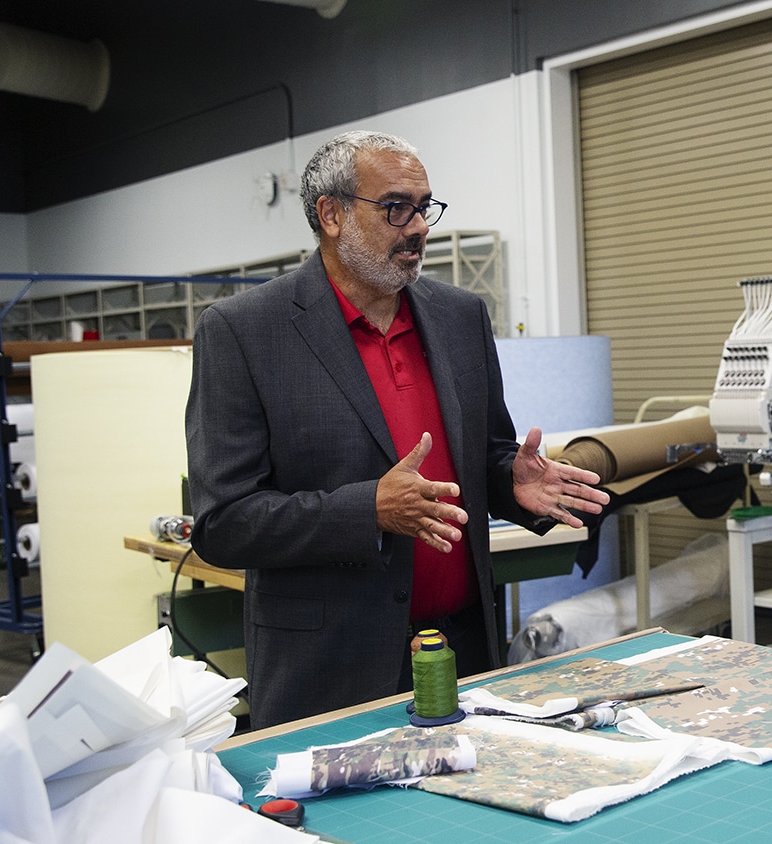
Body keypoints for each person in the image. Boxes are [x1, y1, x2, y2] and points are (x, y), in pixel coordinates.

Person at [186, 130, 609, 729]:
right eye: (396, 208)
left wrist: (508, 481)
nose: (418, 228)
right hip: (331, 670)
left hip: (463, 651)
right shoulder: (246, 332)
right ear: (330, 214)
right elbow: (222, 524)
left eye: (424, 207)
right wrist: (369, 511)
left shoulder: (460, 317)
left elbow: (482, 454)